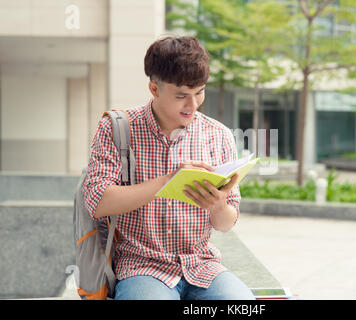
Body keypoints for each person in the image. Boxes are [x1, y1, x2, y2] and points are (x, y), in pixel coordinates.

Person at [83, 36, 255, 300]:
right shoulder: (117, 129)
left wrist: (218, 205)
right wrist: (168, 180)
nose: (193, 105)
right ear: (154, 89)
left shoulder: (217, 135)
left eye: (200, 92)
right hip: (141, 267)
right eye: (182, 96)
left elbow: (226, 223)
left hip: (202, 266)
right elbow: (97, 201)